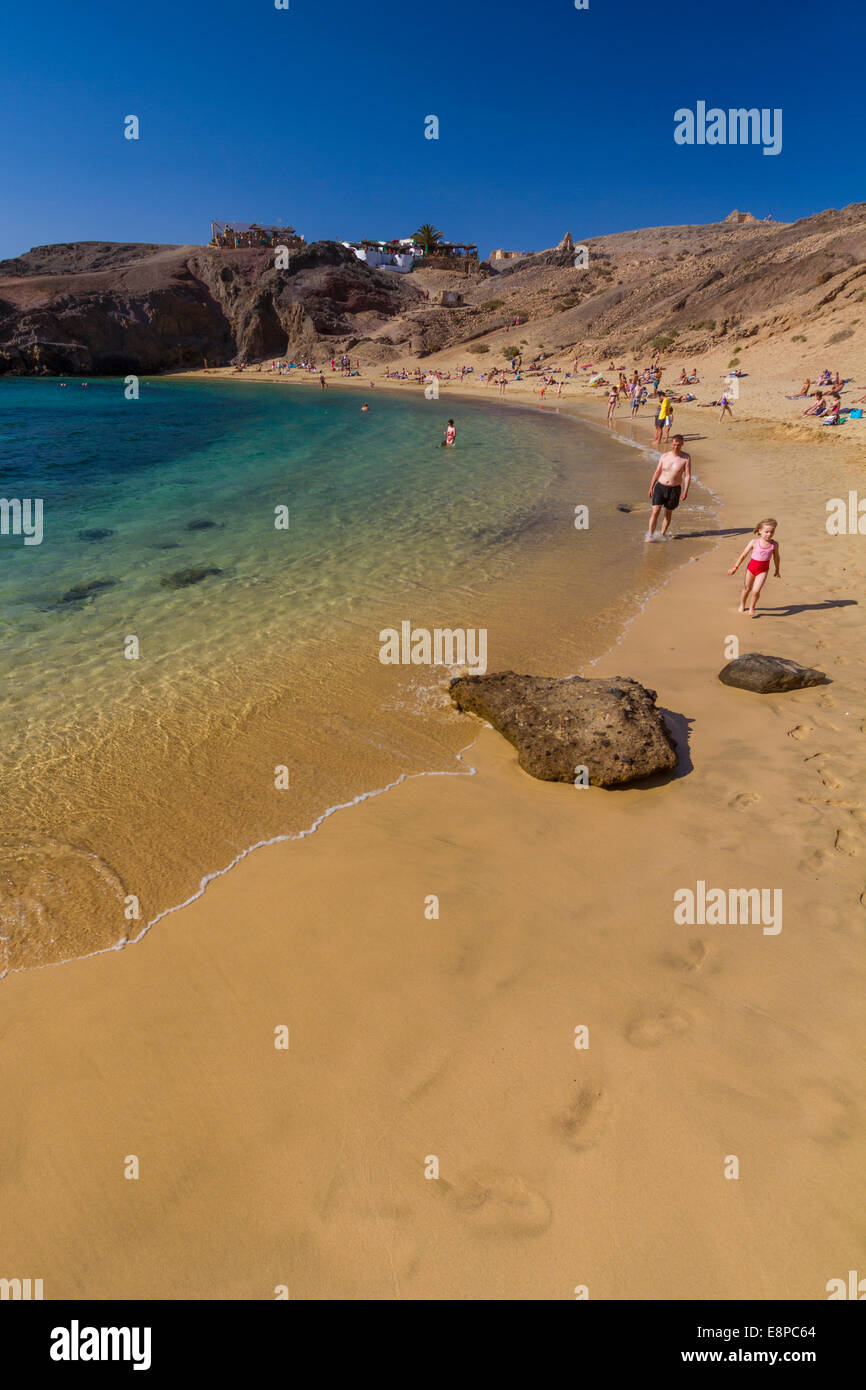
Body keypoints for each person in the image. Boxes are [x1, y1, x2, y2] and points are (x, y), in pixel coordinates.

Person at [728, 518, 780, 616]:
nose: (769, 534)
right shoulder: (754, 542)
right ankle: (742, 604)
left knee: (756, 591)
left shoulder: (774, 545)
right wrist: (735, 567)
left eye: (772, 532)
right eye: (766, 531)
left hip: (763, 571)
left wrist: (777, 569)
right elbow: (743, 555)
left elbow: (776, 558)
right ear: (760, 531)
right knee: (747, 589)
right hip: (751, 570)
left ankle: (752, 607)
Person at [646, 435, 691, 541]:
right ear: (671, 444)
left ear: (682, 444)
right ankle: (650, 536)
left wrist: (685, 490)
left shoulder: (686, 458)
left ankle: (662, 534)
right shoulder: (664, 456)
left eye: (678, 445)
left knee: (668, 512)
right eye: (674, 445)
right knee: (655, 511)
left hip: (674, 489)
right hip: (660, 487)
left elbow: (687, 475)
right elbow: (657, 471)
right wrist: (651, 487)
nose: (676, 447)